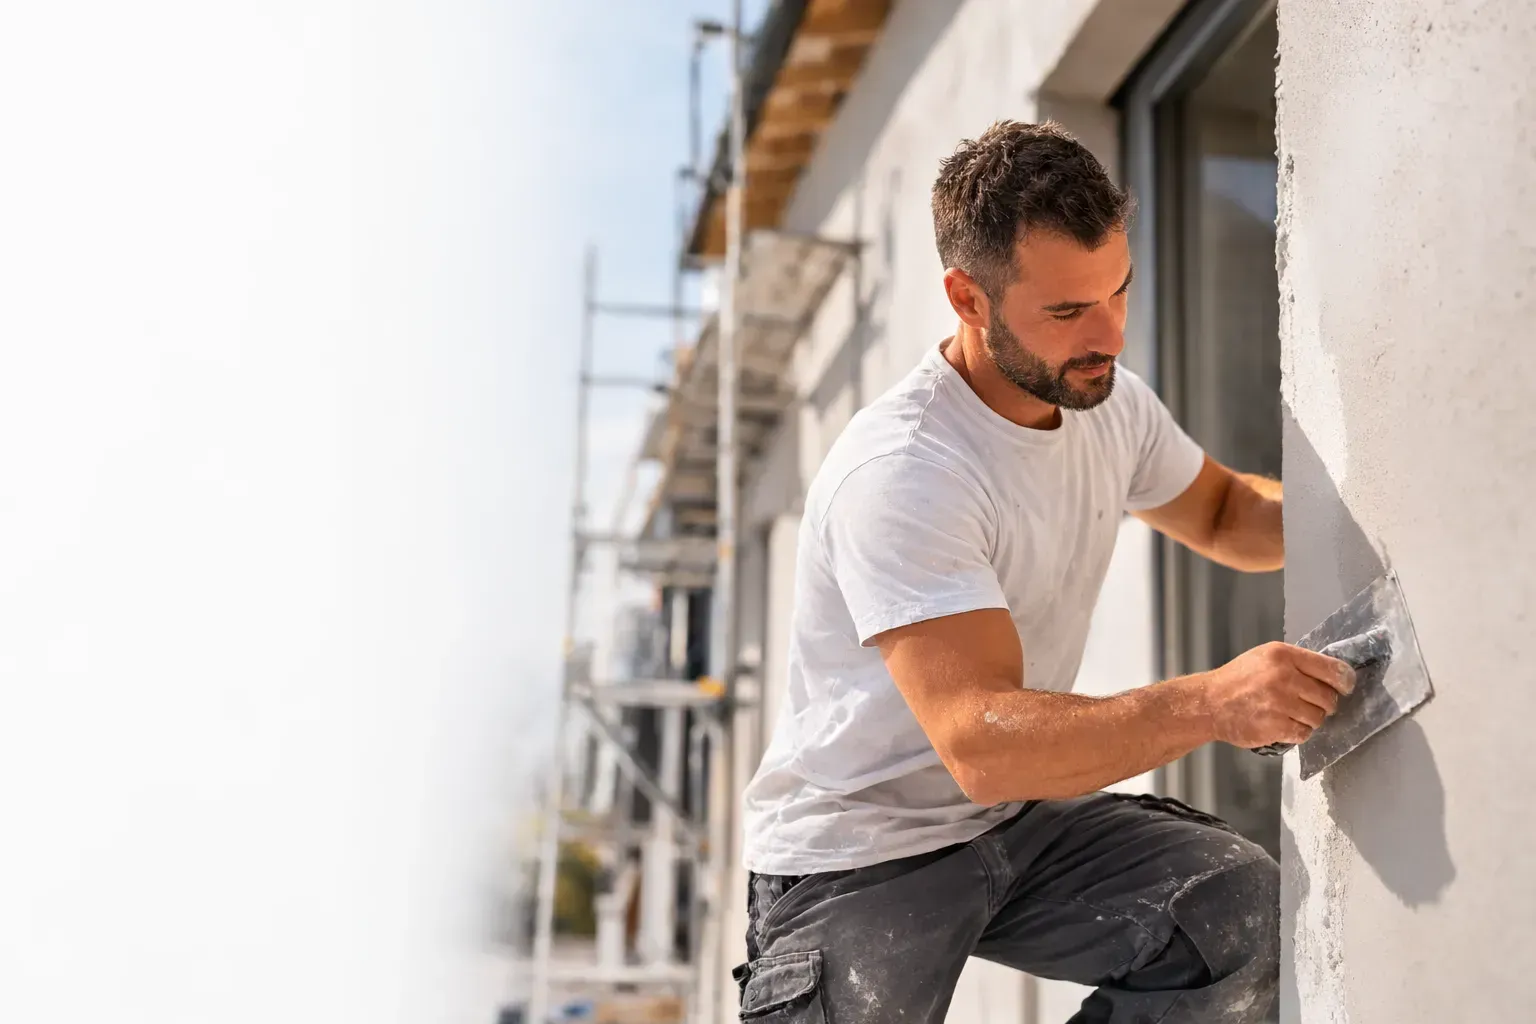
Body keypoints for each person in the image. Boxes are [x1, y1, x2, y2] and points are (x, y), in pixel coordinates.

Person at [732, 121, 1354, 1023]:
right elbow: (980, 743)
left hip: (1011, 827)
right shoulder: (906, 472)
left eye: (1118, 292)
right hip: (855, 852)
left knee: (1236, 914)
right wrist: (1213, 703)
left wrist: (1377, 509)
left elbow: (1223, 514)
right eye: (1066, 312)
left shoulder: (1107, 402)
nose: (1108, 335)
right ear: (968, 297)